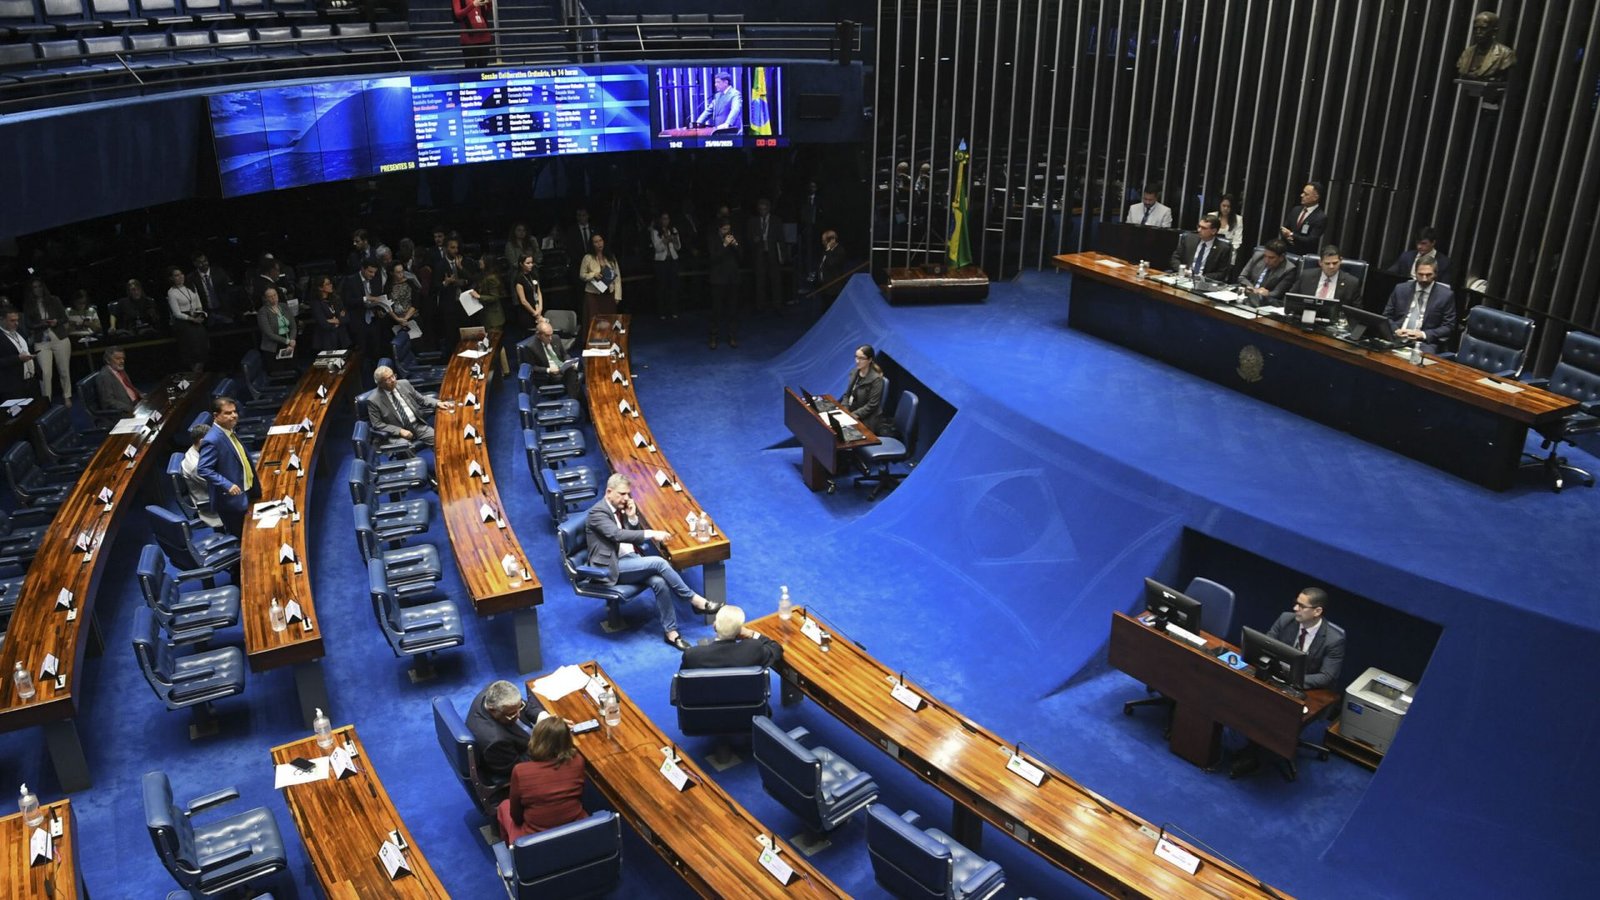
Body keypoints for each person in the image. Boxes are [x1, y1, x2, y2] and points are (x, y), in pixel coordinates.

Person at [585, 473, 723, 650]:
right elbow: (617, 535)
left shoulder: (617, 509)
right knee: (659, 563)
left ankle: (671, 633)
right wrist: (652, 533)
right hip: (610, 568)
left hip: (628, 559)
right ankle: (694, 600)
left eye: (628, 494)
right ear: (609, 492)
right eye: (622, 494)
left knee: (659, 582)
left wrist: (632, 518)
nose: (626, 498)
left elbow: (631, 537)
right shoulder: (597, 513)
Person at [1230, 588, 1346, 778]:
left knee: (1268, 709)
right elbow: (1264, 644)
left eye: (1301, 606)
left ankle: (1253, 753)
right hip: (1276, 679)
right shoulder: (1286, 619)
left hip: (1308, 692)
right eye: (1296, 603)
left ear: (1317, 611)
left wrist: (1293, 680)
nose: (1295, 608)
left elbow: (1327, 677)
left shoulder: (1334, 640)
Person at [498, 716, 588, 844]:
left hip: (536, 839)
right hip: (575, 828)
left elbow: (516, 816)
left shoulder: (520, 771)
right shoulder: (578, 761)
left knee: (503, 807)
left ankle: (512, 854)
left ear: (536, 740)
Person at [196, 396, 257, 536]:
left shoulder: (228, 430)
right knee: (241, 536)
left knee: (251, 530)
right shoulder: (212, 439)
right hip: (231, 499)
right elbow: (203, 469)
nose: (234, 416)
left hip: (244, 490)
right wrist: (226, 484)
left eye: (234, 411)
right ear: (216, 416)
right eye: (228, 413)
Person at [466, 680, 542, 785]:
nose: (519, 715)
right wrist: (544, 741)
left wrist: (542, 716)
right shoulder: (495, 741)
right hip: (517, 763)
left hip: (526, 739)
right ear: (492, 710)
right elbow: (519, 767)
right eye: (512, 714)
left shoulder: (493, 693)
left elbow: (522, 704)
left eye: (519, 708)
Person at [1382, 260, 1456, 352]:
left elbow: (1448, 326)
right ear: (1415, 273)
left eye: (1429, 275)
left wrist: (1423, 334)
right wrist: (1395, 330)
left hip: (1423, 342)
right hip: (1396, 337)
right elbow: (1386, 316)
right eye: (1420, 274)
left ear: (1436, 274)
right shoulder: (1400, 289)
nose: (1424, 279)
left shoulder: (1445, 295)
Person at [368, 364, 446, 448]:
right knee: (406, 447)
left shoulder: (404, 384)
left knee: (439, 439)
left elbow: (421, 399)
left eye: (393, 376)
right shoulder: (374, 400)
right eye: (388, 379)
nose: (393, 380)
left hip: (416, 425)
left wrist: (437, 403)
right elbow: (377, 424)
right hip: (397, 434)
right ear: (380, 384)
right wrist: (399, 431)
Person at [680, 606, 783, 670]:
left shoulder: (692, 655)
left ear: (715, 626)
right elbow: (776, 648)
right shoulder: (753, 649)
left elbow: (682, 684)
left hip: (706, 703)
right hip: (746, 703)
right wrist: (752, 634)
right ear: (739, 631)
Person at [23, 278, 72, 405]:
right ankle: (47, 400)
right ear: (31, 290)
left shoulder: (54, 300)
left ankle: (67, 395)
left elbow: (64, 318)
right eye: (34, 287)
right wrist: (41, 324)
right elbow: (28, 324)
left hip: (59, 337)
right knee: (45, 372)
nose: (37, 289)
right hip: (41, 340)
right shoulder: (28, 304)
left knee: (64, 370)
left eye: (39, 286)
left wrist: (56, 322)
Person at [519, 319, 581, 399]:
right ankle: (575, 401)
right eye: (547, 336)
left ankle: (575, 400)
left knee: (573, 370)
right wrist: (548, 370)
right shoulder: (531, 347)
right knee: (573, 377)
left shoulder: (556, 338)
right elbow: (532, 367)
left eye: (551, 334)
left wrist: (568, 361)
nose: (550, 338)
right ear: (538, 335)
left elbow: (564, 354)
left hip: (562, 369)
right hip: (549, 377)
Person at [179, 423, 223, 529]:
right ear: (202, 441)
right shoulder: (196, 466)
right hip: (214, 504)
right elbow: (220, 487)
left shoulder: (198, 448)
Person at [167, 266, 209, 372]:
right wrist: (191, 319)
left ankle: (199, 376)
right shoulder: (172, 292)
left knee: (203, 350)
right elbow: (176, 313)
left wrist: (200, 314)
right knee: (194, 354)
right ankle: (195, 378)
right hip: (185, 324)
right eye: (176, 275)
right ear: (172, 278)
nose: (180, 277)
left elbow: (198, 303)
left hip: (196, 320)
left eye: (181, 274)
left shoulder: (190, 286)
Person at [707, 218, 741, 349]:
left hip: (732, 279)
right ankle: (713, 337)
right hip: (718, 280)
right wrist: (724, 245)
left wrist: (735, 245)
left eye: (729, 229)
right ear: (719, 229)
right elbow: (713, 257)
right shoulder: (712, 239)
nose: (727, 231)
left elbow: (741, 256)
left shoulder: (733, 238)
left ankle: (732, 336)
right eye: (725, 229)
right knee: (716, 310)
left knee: (733, 309)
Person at [746, 198, 785, 313]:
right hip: (759, 254)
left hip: (772, 253)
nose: (762, 211)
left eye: (764, 209)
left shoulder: (776, 221)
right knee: (760, 281)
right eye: (760, 209)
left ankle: (777, 305)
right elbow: (747, 239)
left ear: (768, 209)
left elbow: (781, 238)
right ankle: (760, 306)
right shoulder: (752, 221)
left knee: (775, 280)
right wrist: (754, 240)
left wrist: (783, 255)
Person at [1168, 214, 1232, 279]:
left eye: (1203, 228)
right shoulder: (1188, 239)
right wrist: (1183, 270)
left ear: (1214, 231)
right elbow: (1175, 258)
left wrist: (1201, 278)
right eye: (1199, 226)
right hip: (1183, 277)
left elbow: (1221, 273)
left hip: (1204, 282)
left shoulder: (1223, 248)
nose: (1199, 230)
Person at [1235, 239, 1296, 306]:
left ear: (1281, 257)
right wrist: (1254, 289)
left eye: (1271, 258)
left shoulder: (1289, 269)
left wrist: (1266, 293)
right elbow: (1242, 277)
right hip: (1247, 295)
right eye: (1265, 256)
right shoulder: (1257, 256)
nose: (1266, 260)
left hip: (1265, 303)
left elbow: (1277, 293)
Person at [1293, 245, 1362, 305]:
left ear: (1340, 261)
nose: (1331, 266)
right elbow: (1291, 299)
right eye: (1327, 263)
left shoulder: (1352, 283)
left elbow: (1356, 313)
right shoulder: (1306, 276)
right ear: (1320, 263)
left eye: (1335, 263)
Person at [1457, 10, 1515, 79]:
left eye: (1483, 28)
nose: (1478, 32)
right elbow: (1462, 70)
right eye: (1475, 29)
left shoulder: (1506, 54)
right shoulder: (1466, 53)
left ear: (1494, 31)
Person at [578, 231, 621, 322]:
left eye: (600, 240)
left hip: (609, 293)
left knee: (609, 320)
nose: (599, 243)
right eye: (596, 242)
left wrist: (617, 296)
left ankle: (608, 336)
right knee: (594, 321)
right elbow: (582, 275)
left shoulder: (610, 257)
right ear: (592, 244)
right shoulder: (588, 257)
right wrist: (593, 275)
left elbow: (617, 278)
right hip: (593, 295)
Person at [1385, 227, 1452, 284]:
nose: (1419, 246)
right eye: (1417, 243)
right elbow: (1389, 274)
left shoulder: (1444, 262)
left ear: (1433, 243)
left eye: (1423, 243)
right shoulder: (1406, 256)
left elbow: (1444, 288)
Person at [0, 306, 39, 401]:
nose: (16, 323)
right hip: (12, 386)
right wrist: (18, 359)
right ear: (1, 320)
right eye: (12, 320)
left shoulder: (20, 331)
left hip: (31, 381)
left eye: (17, 320)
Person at [650, 212, 682, 319]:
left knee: (673, 286)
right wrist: (665, 240)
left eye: (667, 218)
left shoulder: (673, 230)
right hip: (661, 261)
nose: (666, 221)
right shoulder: (655, 231)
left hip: (673, 260)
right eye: (663, 219)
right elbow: (657, 248)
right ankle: (662, 311)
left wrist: (674, 239)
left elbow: (678, 247)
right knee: (662, 287)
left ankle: (674, 310)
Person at [256, 287, 297, 371]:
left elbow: (293, 326)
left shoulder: (284, 306)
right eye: (270, 296)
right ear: (266, 298)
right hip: (273, 348)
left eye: (274, 295)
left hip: (289, 344)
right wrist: (287, 341)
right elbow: (269, 334)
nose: (273, 298)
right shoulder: (263, 312)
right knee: (281, 370)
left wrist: (292, 340)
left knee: (293, 369)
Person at [1279, 182, 1327, 253]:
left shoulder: (1320, 218)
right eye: (1302, 192)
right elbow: (1284, 228)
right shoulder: (1295, 210)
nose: (1301, 195)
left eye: (1306, 194)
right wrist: (1287, 236)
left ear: (1315, 197)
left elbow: (1311, 240)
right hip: (1286, 251)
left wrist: (1291, 235)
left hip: (1303, 255)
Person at [93, 345, 142, 414]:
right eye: (118, 358)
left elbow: (129, 388)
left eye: (123, 358)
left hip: (136, 404)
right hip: (124, 412)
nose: (122, 361)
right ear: (108, 360)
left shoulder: (120, 370)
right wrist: (131, 409)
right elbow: (108, 401)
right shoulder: (104, 377)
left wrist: (140, 396)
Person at [189, 253, 234, 325]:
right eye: (200, 262)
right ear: (195, 264)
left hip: (223, 310)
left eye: (205, 261)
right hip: (207, 314)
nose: (204, 263)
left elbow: (228, 290)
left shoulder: (219, 272)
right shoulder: (191, 278)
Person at [309, 275, 348, 352]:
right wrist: (339, 320)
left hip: (341, 338)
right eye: (327, 284)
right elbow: (323, 323)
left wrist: (334, 321)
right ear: (320, 288)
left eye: (330, 283)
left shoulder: (336, 299)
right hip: (326, 340)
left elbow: (346, 317)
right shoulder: (316, 304)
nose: (331, 285)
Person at [453, 0, 493, 68]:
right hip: (469, 38)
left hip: (484, 36)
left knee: (483, 67)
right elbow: (458, 15)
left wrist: (489, 2)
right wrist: (473, 5)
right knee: (470, 67)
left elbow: (487, 12)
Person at [475, 254, 508, 331]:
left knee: (494, 341)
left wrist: (478, 296)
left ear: (487, 263)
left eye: (481, 260)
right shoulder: (484, 276)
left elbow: (495, 297)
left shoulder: (492, 278)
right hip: (487, 316)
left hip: (494, 319)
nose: (479, 261)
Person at [385, 263, 419, 336]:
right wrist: (397, 319)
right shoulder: (388, 286)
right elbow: (387, 305)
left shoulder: (410, 283)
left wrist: (405, 319)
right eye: (398, 272)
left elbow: (415, 303)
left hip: (411, 318)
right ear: (392, 273)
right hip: (395, 320)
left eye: (402, 271)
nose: (401, 274)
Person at [512, 253, 543, 331]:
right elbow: (523, 301)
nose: (531, 265)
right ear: (521, 264)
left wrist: (540, 308)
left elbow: (538, 292)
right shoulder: (519, 279)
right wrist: (535, 314)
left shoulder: (533, 275)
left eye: (531, 263)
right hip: (527, 313)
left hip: (537, 308)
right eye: (528, 263)